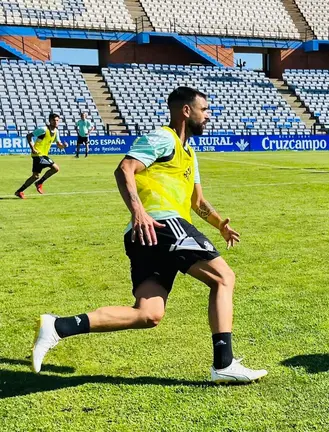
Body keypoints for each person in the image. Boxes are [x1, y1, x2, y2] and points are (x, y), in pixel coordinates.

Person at [30, 87, 267, 384]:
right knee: (223, 278)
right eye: (204, 110)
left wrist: (219, 224)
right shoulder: (162, 137)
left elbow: (197, 202)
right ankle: (224, 363)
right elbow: (125, 168)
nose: (208, 116)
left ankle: (59, 326)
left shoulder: (189, 153)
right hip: (162, 224)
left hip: (147, 235)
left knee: (148, 314)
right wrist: (138, 211)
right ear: (186, 111)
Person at [14, 113, 65, 199]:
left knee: (35, 176)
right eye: (54, 120)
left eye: (57, 120)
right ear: (50, 121)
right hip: (38, 155)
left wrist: (63, 146)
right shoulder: (43, 129)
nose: (56, 122)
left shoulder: (56, 131)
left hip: (43, 155)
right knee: (56, 168)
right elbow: (29, 136)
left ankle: (19, 191)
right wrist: (32, 148)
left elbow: (58, 144)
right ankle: (39, 183)